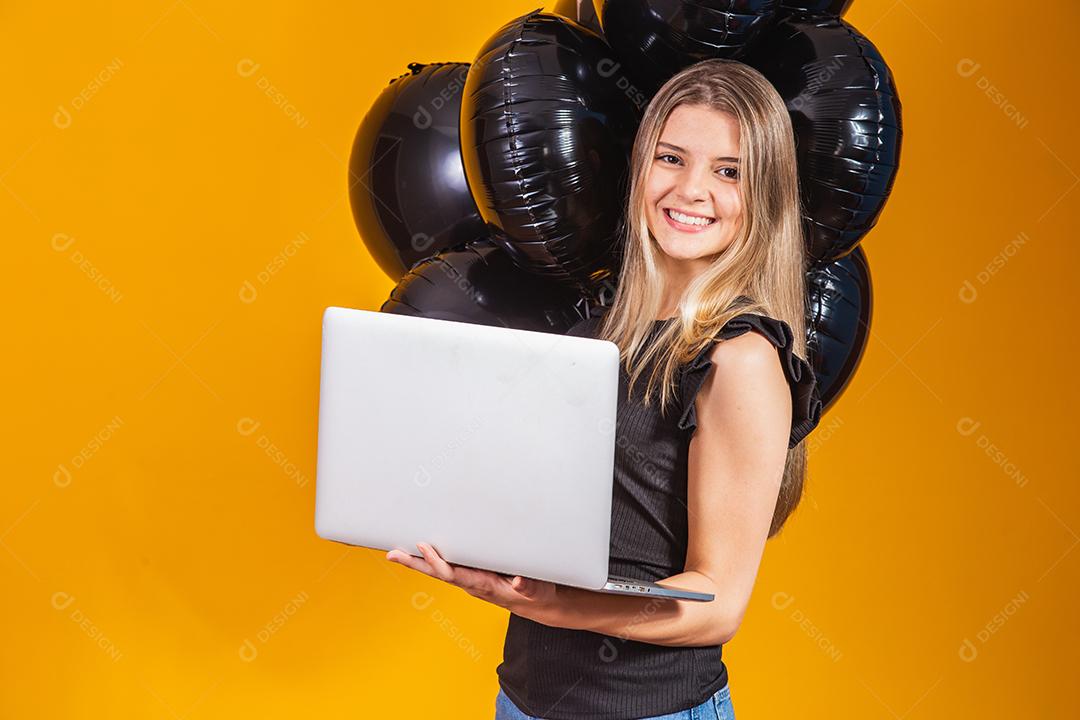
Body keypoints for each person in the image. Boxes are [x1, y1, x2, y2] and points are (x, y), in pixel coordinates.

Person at [386, 58, 823, 719]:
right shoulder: (598, 333)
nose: (691, 189)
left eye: (728, 171)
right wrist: (482, 558)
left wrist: (546, 602)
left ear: (765, 196)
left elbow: (715, 606)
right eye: (671, 158)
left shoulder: (740, 357)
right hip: (525, 701)